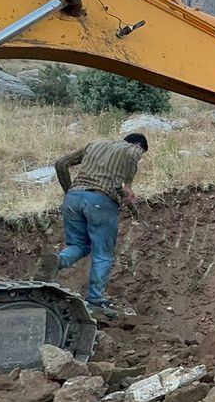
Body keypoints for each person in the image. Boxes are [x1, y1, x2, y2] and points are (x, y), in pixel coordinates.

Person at [37, 133, 148, 313]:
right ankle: (96, 300)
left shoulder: (95, 144)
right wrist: (128, 185)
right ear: (138, 145)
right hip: (101, 201)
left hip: (73, 199)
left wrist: (70, 191)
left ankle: (57, 261)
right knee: (103, 253)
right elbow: (132, 158)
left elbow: (61, 164)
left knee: (79, 245)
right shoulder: (133, 149)